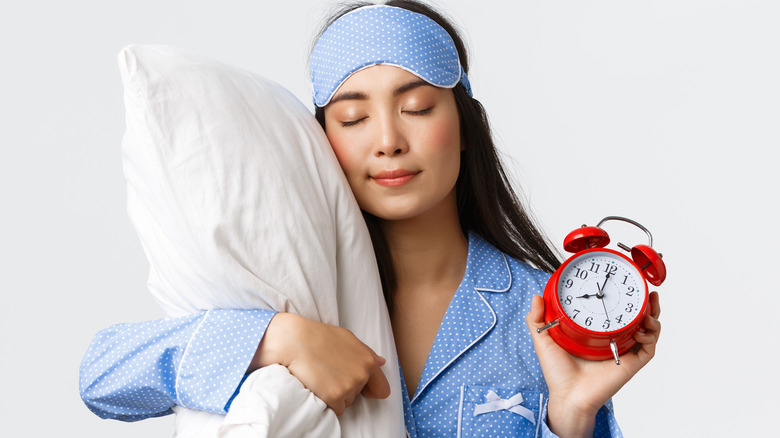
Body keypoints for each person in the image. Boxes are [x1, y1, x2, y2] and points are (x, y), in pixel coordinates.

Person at [80, 1, 661, 437]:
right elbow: (103, 379)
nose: (387, 140)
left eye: (416, 108)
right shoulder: (294, 291)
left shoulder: (542, 309)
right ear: (321, 139)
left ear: (464, 127)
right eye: (353, 118)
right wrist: (275, 337)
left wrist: (573, 416)